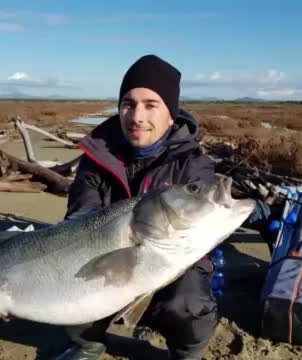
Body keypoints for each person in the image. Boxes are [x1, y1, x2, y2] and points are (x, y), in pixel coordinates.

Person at [58, 54, 219, 360]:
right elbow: (78, 219)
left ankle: (186, 353)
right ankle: (88, 344)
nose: (137, 116)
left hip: (172, 262)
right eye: (128, 104)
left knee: (189, 301)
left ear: (171, 114)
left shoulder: (193, 165)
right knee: (68, 274)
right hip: (106, 257)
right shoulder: (95, 157)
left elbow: (203, 231)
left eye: (151, 104)